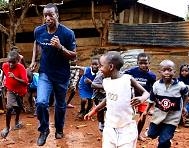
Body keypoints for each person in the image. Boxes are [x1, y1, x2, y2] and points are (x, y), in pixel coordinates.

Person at [29, 3, 77, 146]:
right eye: (45, 15)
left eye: (51, 15)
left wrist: (60, 47)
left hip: (62, 75)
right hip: (45, 73)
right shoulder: (38, 31)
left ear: (57, 15)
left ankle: (59, 129)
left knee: (60, 105)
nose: (48, 18)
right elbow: (36, 43)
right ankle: (44, 130)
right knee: (41, 102)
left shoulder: (67, 33)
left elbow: (74, 56)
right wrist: (34, 60)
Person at [84, 51, 150, 148]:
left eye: (101, 66)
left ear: (111, 67)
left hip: (127, 128)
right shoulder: (106, 82)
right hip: (110, 127)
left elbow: (146, 93)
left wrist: (141, 98)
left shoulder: (127, 79)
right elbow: (108, 98)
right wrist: (95, 110)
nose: (99, 69)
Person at [143, 59, 189, 148]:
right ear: (160, 71)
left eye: (170, 70)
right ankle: (164, 136)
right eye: (164, 70)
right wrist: (146, 111)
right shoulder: (156, 85)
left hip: (173, 116)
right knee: (151, 134)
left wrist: (184, 107)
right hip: (159, 115)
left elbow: (186, 94)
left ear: (174, 72)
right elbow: (151, 99)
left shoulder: (180, 86)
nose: (167, 72)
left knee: (163, 140)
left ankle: (166, 139)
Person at [123, 52, 156, 141]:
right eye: (141, 63)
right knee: (129, 115)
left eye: (145, 63)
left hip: (144, 98)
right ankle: (127, 133)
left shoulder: (152, 76)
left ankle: (138, 134)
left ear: (149, 63)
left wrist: (151, 103)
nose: (143, 65)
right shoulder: (131, 71)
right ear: (137, 63)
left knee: (143, 116)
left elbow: (152, 90)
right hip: (132, 97)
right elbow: (123, 77)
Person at [0, 50, 28, 138]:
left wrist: (15, 77)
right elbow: (4, 74)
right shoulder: (4, 65)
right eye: (9, 62)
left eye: (13, 62)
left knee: (18, 108)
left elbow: (25, 82)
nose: (11, 64)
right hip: (11, 90)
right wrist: (2, 81)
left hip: (20, 92)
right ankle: (7, 127)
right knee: (9, 108)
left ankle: (16, 121)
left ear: (17, 60)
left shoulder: (21, 68)